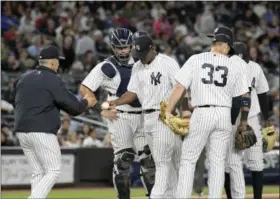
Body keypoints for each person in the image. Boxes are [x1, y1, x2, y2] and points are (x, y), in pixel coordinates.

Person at [165, 26, 250, 198]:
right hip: (224, 115)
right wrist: (241, 121)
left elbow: (180, 87)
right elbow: (244, 96)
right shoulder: (235, 65)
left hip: (202, 112)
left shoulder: (196, 59)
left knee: (188, 160)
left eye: (215, 39)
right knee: (218, 163)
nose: (213, 42)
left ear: (223, 43)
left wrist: (169, 110)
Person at [106, 31, 188, 199]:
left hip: (164, 116)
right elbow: (132, 93)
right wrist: (116, 102)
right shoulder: (137, 66)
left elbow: (181, 88)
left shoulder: (167, 63)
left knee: (170, 164)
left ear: (153, 48)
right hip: (147, 119)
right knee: (165, 165)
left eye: (143, 53)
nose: (141, 57)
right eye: (138, 54)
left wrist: (184, 111)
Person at [10, 45, 96, 199]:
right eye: (58, 61)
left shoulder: (23, 77)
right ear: (52, 63)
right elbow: (73, 107)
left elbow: (13, 100)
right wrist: (86, 102)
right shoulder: (53, 79)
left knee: (38, 172)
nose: (58, 64)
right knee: (53, 170)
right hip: (41, 131)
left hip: (22, 131)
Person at [79, 28, 155, 199]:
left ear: (132, 46)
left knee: (148, 161)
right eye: (119, 48)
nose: (123, 51)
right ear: (113, 47)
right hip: (120, 115)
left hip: (143, 114)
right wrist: (100, 107)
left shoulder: (142, 60)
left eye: (126, 47)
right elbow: (84, 88)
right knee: (124, 159)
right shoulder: (105, 66)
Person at [225, 42, 270, 199]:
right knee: (229, 164)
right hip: (230, 119)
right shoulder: (224, 68)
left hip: (250, 118)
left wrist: (268, 118)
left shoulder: (254, 68)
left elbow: (263, 95)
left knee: (256, 161)